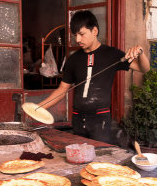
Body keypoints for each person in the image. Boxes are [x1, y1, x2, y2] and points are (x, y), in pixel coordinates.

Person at [39, 10, 150, 143]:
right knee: (78, 158)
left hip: (100, 120)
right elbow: (62, 90)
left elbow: (144, 69)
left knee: (99, 159)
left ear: (95, 31)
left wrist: (141, 52)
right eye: (75, 35)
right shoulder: (73, 59)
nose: (78, 39)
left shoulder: (112, 54)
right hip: (77, 118)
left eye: (82, 34)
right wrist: (38, 108)